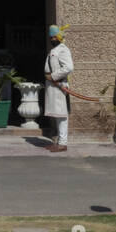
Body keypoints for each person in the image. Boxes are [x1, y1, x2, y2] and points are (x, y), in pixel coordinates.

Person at [44, 23, 73, 153]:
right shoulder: (54, 50)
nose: (52, 39)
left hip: (59, 85)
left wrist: (54, 76)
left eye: (54, 37)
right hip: (52, 86)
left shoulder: (63, 49)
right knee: (57, 114)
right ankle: (59, 142)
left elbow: (68, 67)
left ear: (59, 37)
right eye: (51, 37)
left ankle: (63, 143)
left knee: (62, 115)